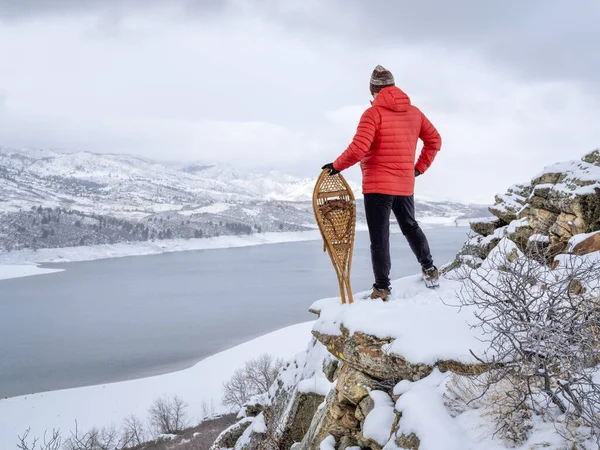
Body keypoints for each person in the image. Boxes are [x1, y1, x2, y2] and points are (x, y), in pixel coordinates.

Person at [322, 65, 442, 300]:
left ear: (373, 89)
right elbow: (434, 141)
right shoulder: (415, 113)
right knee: (410, 226)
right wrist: (418, 168)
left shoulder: (373, 114)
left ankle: (382, 287)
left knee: (380, 237)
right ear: (394, 86)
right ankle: (429, 269)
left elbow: (358, 149)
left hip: (377, 185)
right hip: (404, 184)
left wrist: (336, 166)